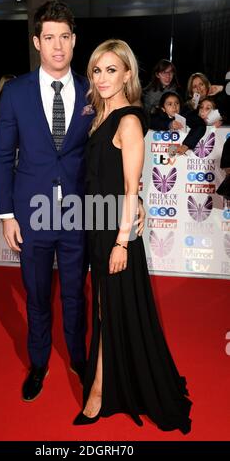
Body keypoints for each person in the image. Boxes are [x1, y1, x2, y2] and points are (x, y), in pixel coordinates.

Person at [0, 0, 146, 403]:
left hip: (83, 213)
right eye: (49, 38)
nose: (57, 46)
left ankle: (79, 360)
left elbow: (120, 145)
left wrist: (137, 198)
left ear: (74, 41)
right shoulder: (15, 93)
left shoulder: (92, 90)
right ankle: (39, 363)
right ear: (37, 42)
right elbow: (3, 156)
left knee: (77, 294)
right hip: (31, 213)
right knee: (37, 293)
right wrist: (7, 213)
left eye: (64, 37)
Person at [73, 39, 192, 435]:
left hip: (114, 230)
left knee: (113, 307)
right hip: (96, 222)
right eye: (97, 70)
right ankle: (113, 383)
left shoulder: (128, 119)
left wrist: (123, 242)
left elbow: (129, 185)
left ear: (127, 74)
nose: (103, 77)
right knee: (109, 307)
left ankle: (100, 391)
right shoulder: (96, 116)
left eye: (112, 69)